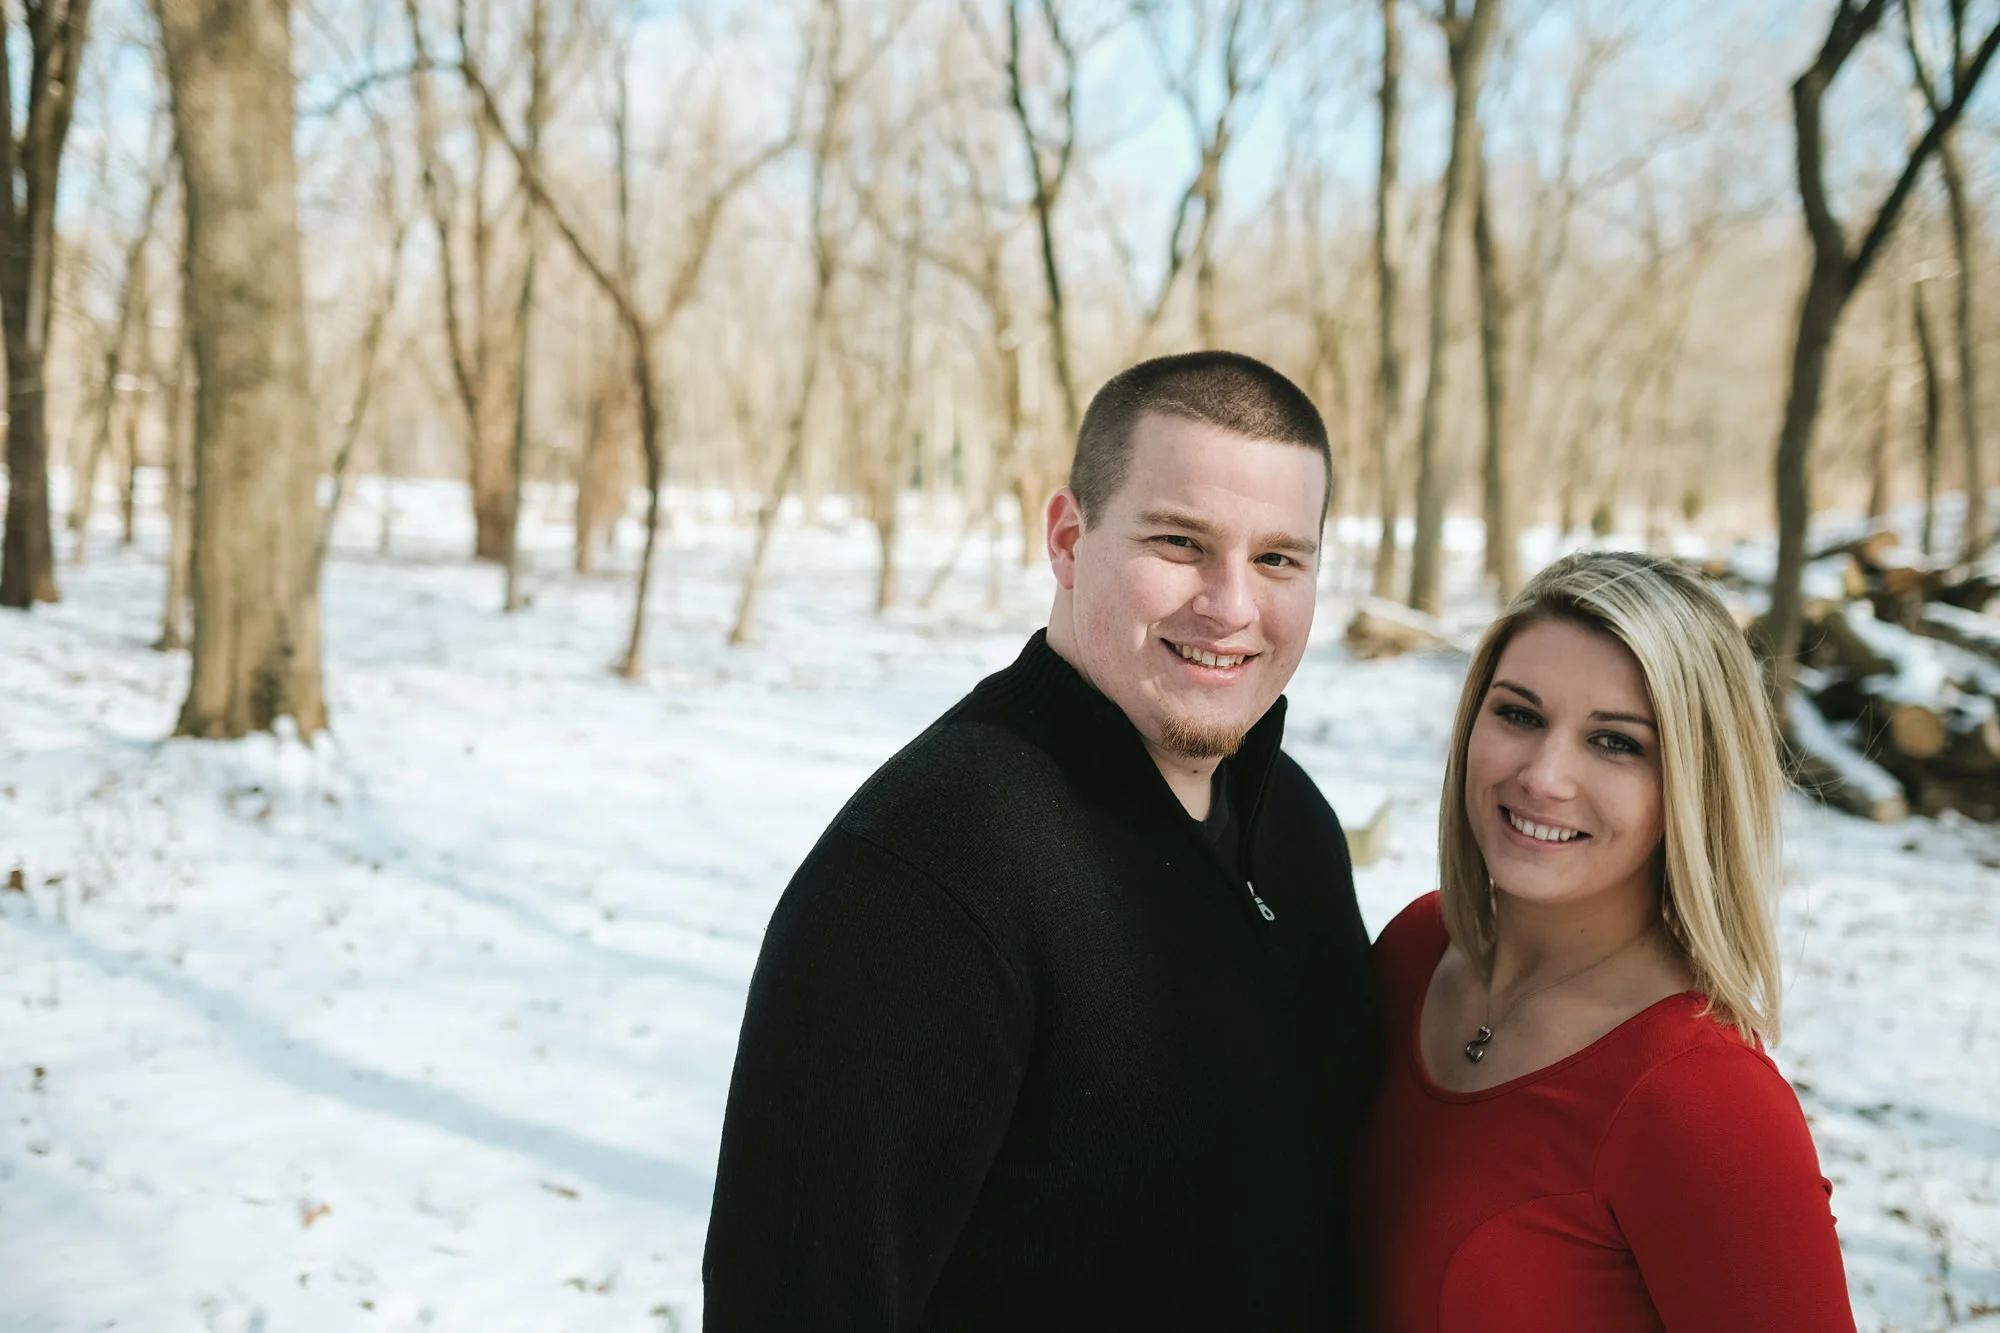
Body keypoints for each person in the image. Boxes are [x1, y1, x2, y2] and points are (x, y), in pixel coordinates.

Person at [703, 351, 1381, 1330]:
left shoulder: (1293, 823)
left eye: (1277, 558)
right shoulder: (922, 879)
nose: (1231, 605)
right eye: (1180, 542)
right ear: (1067, 538)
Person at [1354, 550, 1856, 1331]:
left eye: (1617, 742)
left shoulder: (1704, 1101)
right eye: (1519, 714)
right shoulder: (1415, 949)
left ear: (1693, 783)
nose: (1545, 776)